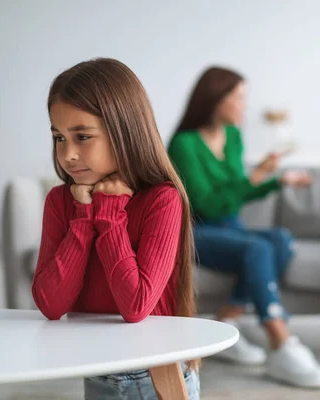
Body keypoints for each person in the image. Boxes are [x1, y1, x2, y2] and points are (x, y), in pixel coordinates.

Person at [32, 58, 200, 399]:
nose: (69, 155)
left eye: (82, 137)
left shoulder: (162, 200)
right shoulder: (62, 202)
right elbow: (50, 303)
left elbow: (136, 304)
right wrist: (82, 218)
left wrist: (108, 216)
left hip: (153, 376)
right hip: (96, 372)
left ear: (124, 130)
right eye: (59, 138)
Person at [167, 66, 320, 389]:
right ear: (216, 100)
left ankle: (226, 323)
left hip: (230, 228)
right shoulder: (183, 144)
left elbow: (234, 197)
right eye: (239, 97)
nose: (245, 105)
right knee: (258, 248)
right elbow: (208, 205)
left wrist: (275, 181)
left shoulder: (233, 137)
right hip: (195, 233)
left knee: (281, 240)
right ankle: (281, 340)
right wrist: (256, 177)